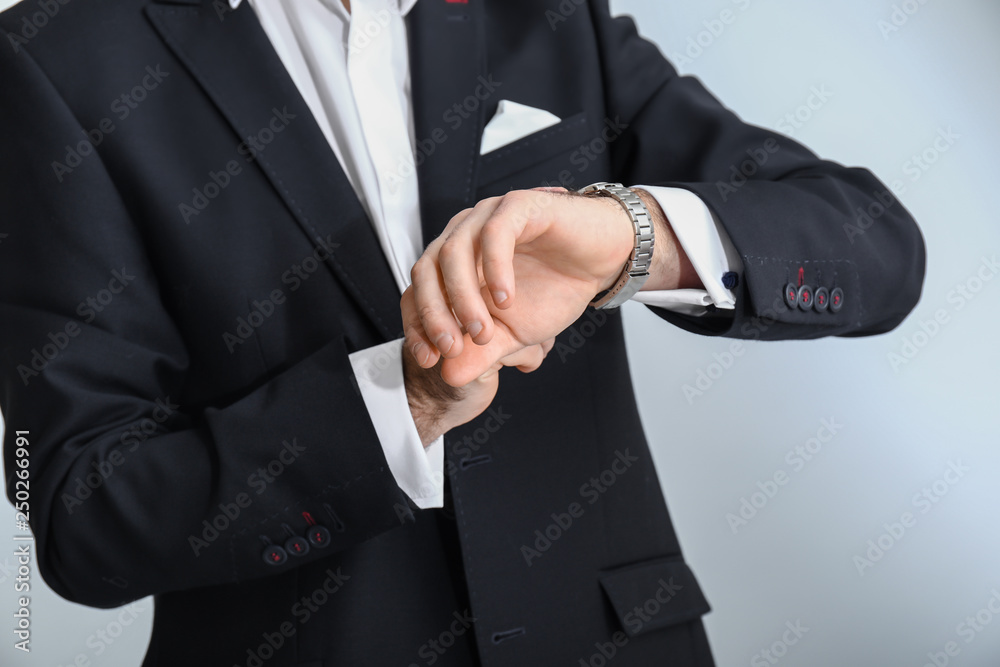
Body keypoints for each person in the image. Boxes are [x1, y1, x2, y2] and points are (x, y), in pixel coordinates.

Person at [0, 0, 925, 664]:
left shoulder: (545, 15)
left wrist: (627, 235)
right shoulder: (59, 54)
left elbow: (873, 245)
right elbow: (83, 509)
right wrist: (404, 398)